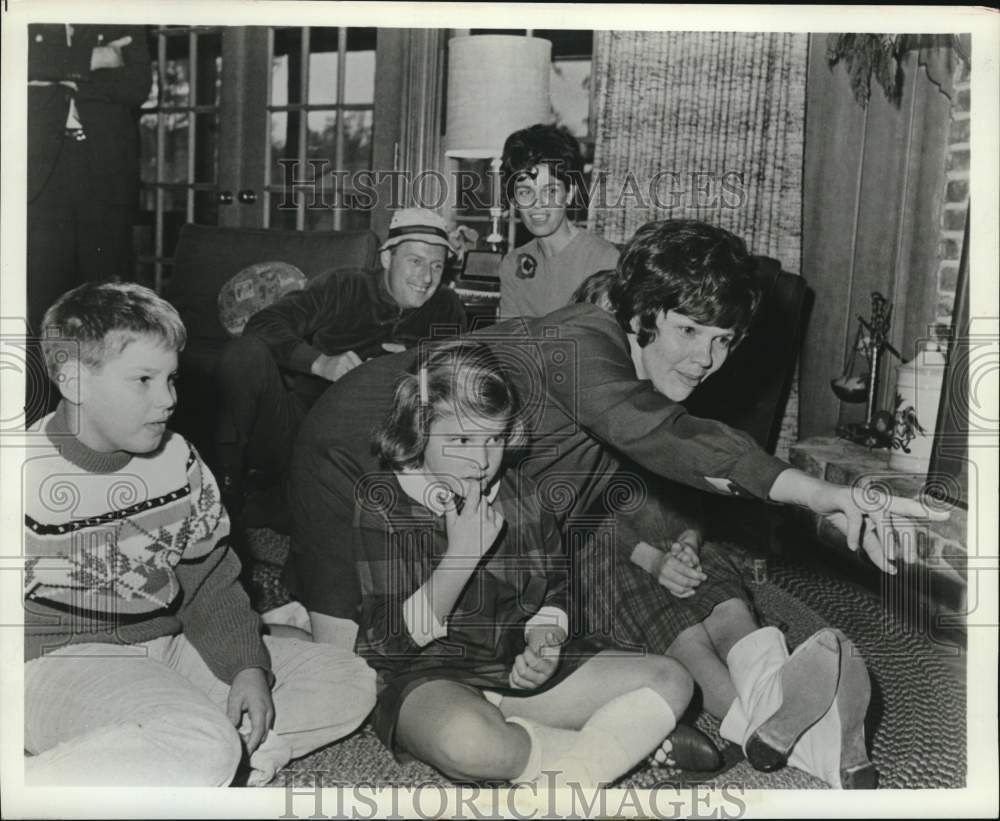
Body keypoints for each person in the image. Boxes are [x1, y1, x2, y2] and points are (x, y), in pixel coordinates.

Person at [284, 219, 946, 785]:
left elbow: (595, 501)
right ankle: (278, 628)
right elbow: (673, 438)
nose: (706, 359)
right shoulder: (583, 344)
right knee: (359, 674)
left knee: (502, 632)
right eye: (690, 331)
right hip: (346, 453)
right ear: (640, 314)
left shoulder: (620, 380)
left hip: (462, 498)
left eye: (724, 341)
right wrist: (825, 494)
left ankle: (807, 745)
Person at [22, 282, 375, 786]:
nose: (167, 399)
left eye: (171, 379)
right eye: (143, 380)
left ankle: (212, 756)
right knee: (204, 742)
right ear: (75, 381)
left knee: (349, 679)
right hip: (59, 664)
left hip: (164, 645)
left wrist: (247, 666)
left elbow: (208, 580)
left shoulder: (180, 459)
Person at [340, 339, 710, 786]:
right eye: (459, 439)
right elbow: (386, 644)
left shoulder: (523, 492)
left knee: (673, 680)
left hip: (514, 672)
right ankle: (610, 749)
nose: (480, 461)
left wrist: (546, 635)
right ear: (418, 430)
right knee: (471, 744)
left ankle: (565, 762)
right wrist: (460, 558)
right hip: (431, 678)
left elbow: (557, 586)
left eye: (493, 439)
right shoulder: (383, 502)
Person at [568, 266, 879, 788]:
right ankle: (822, 750)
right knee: (683, 635)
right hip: (609, 556)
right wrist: (652, 559)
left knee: (729, 606)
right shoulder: (582, 412)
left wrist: (688, 541)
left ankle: (787, 722)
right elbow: (582, 515)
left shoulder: (667, 402)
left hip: (676, 543)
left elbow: (694, 494)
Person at [214, 206, 468, 527]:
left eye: (436, 266)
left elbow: (458, 379)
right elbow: (265, 323)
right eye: (415, 261)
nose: (427, 277)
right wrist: (321, 363)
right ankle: (227, 485)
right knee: (244, 354)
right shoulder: (344, 286)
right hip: (297, 428)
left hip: (370, 449)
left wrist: (410, 365)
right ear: (387, 258)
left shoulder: (446, 307)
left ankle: (290, 500)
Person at [26, 23, 152, 425]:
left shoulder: (120, 14)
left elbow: (137, 86)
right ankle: (44, 421)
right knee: (43, 305)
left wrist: (54, 76)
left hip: (104, 175)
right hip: (39, 177)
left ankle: (113, 420)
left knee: (109, 305)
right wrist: (94, 62)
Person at [497, 124, 620, 319]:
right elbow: (508, 341)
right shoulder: (513, 264)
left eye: (550, 191)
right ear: (514, 199)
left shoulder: (604, 260)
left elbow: (606, 343)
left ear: (570, 193)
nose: (537, 204)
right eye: (525, 192)